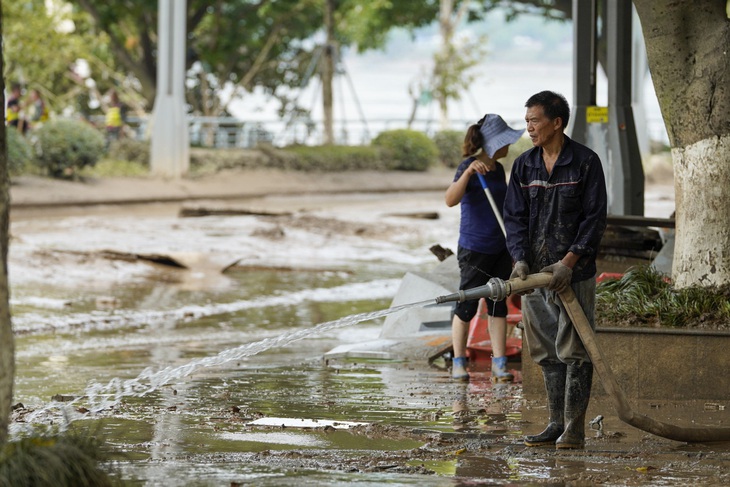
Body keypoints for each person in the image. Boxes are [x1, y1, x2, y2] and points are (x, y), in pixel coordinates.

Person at [503, 90, 607, 449]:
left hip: (572, 276)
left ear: (557, 122)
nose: (528, 127)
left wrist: (569, 261)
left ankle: (574, 429)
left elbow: (594, 220)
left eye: (534, 120)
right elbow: (514, 218)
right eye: (527, 120)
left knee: (575, 350)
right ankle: (555, 424)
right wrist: (519, 261)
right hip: (534, 278)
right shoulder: (524, 165)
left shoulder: (585, 163)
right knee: (547, 351)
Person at [445, 114, 524, 382]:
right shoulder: (467, 166)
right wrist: (468, 173)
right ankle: (459, 363)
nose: (508, 147)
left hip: (500, 247)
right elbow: (449, 200)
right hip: (474, 248)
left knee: (498, 304)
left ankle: (499, 365)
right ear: (492, 144)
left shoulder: (499, 170)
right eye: (505, 142)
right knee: (465, 306)